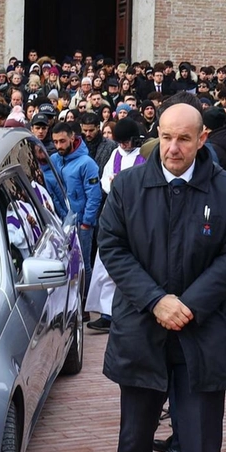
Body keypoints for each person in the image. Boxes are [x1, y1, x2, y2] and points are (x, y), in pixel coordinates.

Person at [97, 103, 226, 452]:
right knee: (134, 437)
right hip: (143, 330)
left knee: (202, 447)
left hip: (200, 335)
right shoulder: (129, 186)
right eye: (166, 137)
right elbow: (112, 246)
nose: (173, 148)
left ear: (202, 138)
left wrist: (189, 305)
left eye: (184, 139)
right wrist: (155, 300)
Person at [86, 118, 146, 333]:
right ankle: (106, 312)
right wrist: (112, 182)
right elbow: (104, 179)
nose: (123, 146)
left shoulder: (144, 156)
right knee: (106, 263)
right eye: (120, 142)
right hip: (115, 213)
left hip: (138, 216)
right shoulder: (115, 155)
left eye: (127, 142)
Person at [50, 122, 103, 276]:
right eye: (55, 142)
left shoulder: (87, 164)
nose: (59, 145)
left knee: (82, 264)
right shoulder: (55, 159)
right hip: (62, 219)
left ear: (72, 138)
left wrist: (87, 222)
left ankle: (86, 298)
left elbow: (94, 196)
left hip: (82, 223)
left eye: (62, 141)